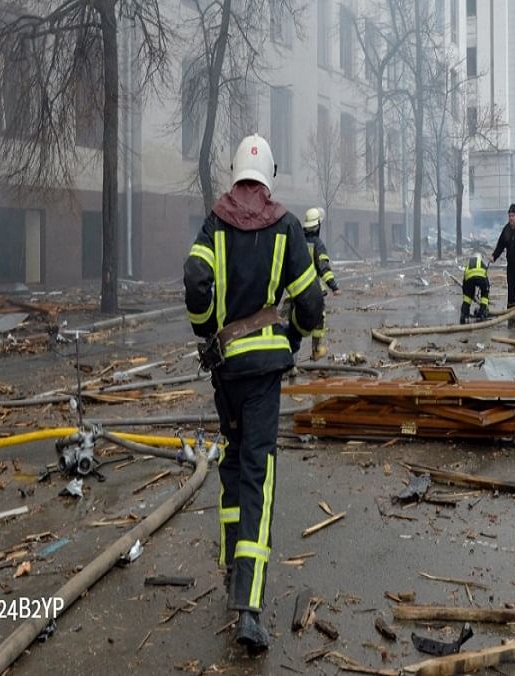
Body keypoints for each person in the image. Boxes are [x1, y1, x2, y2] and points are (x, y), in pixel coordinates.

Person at [184, 134, 324, 656]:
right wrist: (303, 330)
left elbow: (197, 278)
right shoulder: (286, 225)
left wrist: (207, 332)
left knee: (232, 463)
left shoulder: (215, 220)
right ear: (269, 176)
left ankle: (229, 571)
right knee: (257, 477)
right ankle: (248, 605)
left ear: (237, 170)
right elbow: (309, 300)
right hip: (264, 373)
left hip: (226, 374)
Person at [302, 207, 340, 360]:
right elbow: (323, 267)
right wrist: (334, 286)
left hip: (296, 290)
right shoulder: (318, 244)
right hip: (314, 290)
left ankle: (291, 360)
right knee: (319, 319)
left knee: (294, 322)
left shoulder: (298, 241)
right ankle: (316, 350)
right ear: (318, 225)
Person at [460, 253, 490, 324]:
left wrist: (466, 293)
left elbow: (464, 282)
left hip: (469, 279)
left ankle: (464, 314)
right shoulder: (482, 263)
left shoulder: (468, 264)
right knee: (485, 294)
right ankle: (482, 312)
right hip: (481, 278)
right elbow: (486, 279)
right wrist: (486, 289)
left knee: (467, 297)